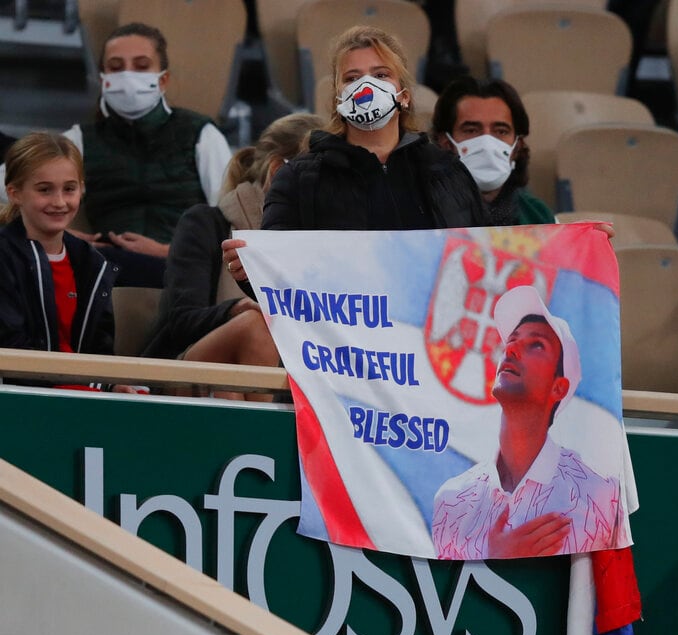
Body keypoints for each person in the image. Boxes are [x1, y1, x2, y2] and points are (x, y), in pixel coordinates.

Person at [222, 24, 485, 280]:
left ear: (404, 95)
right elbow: (280, 280)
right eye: (352, 78)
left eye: (381, 75)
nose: (366, 87)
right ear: (338, 99)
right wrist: (251, 274)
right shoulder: (297, 179)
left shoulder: (448, 172)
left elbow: (480, 264)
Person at [1, 23, 232, 285]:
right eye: (116, 67)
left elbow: (228, 221)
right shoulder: (80, 140)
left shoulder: (202, 134)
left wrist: (168, 251)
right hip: (105, 268)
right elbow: (11, 185)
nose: (128, 76)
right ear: (104, 80)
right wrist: (57, 234)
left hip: (184, 268)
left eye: (142, 66)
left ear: (163, 80)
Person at [432, 285, 626, 560]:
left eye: (535, 344)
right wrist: (495, 556)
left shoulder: (600, 497)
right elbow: (443, 598)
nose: (511, 348)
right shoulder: (451, 499)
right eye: (511, 340)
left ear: (559, 388)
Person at [143, 113, 323, 399]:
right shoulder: (206, 223)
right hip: (187, 368)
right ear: (278, 171)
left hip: (295, 378)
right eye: (325, 179)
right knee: (257, 325)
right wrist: (237, 308)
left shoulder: (331, 244)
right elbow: (180, 321)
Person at [0, 132, 139, 394]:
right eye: (44, 190)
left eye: (69, 189)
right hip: (23, 400)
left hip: (81, 396)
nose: (60, 202)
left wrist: (112, 385)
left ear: (82, 189)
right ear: (14, 193)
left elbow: (100, 349)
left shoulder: (92, 262)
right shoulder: (4, 255)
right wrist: (100, 385)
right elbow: (15, 352)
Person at [432, 75, 555, 226]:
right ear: (445, 143)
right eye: (471, 130)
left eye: (501, 131)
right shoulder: (420, 212)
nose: (487, 143)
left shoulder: (539, 216)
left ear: (517, 146)